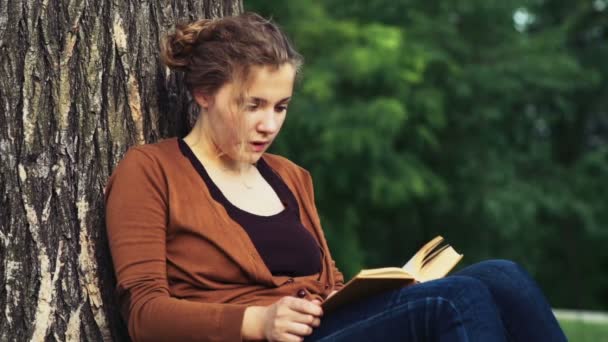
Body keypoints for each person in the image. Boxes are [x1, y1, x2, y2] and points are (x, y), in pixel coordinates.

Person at [104, 12, 567, 342]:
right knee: (456, 299)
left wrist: (390, 291)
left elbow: (330, 284)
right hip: (258, 337)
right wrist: (257, 323)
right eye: (253, 105)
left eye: (281, 107)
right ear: (204, 94)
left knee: (503, 276)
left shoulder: (289, 175)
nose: (269, 124)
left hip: (326, 326)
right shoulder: (151, 169)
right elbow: (144, 315)